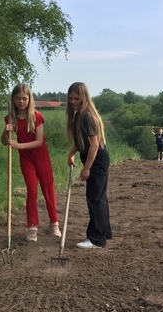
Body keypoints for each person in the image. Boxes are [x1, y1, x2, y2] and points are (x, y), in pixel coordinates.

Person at [1, 84, 61, 242]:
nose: (21, 101)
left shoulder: (36, 116)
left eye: (24, 98)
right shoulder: (10, 118)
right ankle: (32, 227)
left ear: (29, 99)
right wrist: (6, 131)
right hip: (26, 158)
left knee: (47, 189)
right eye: (18, 98)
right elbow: (4, 142)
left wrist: (19, 145)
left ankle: (54, 223)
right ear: (13, 100)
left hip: (40, 155)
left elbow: (39, 141)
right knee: (32, 191)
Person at [66, 82, 112, 249]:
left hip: (97, 159)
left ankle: (96, 239)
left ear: (84, 97)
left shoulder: (87, 116)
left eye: (76, 98)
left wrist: (87, 168)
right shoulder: (79, 115)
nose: (73, 102)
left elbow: (94, 144)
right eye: (70, 98)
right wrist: (71, 153)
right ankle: (104, 232)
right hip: (93, 158)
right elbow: (82, 141)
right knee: (98, 197)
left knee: (95, 198)